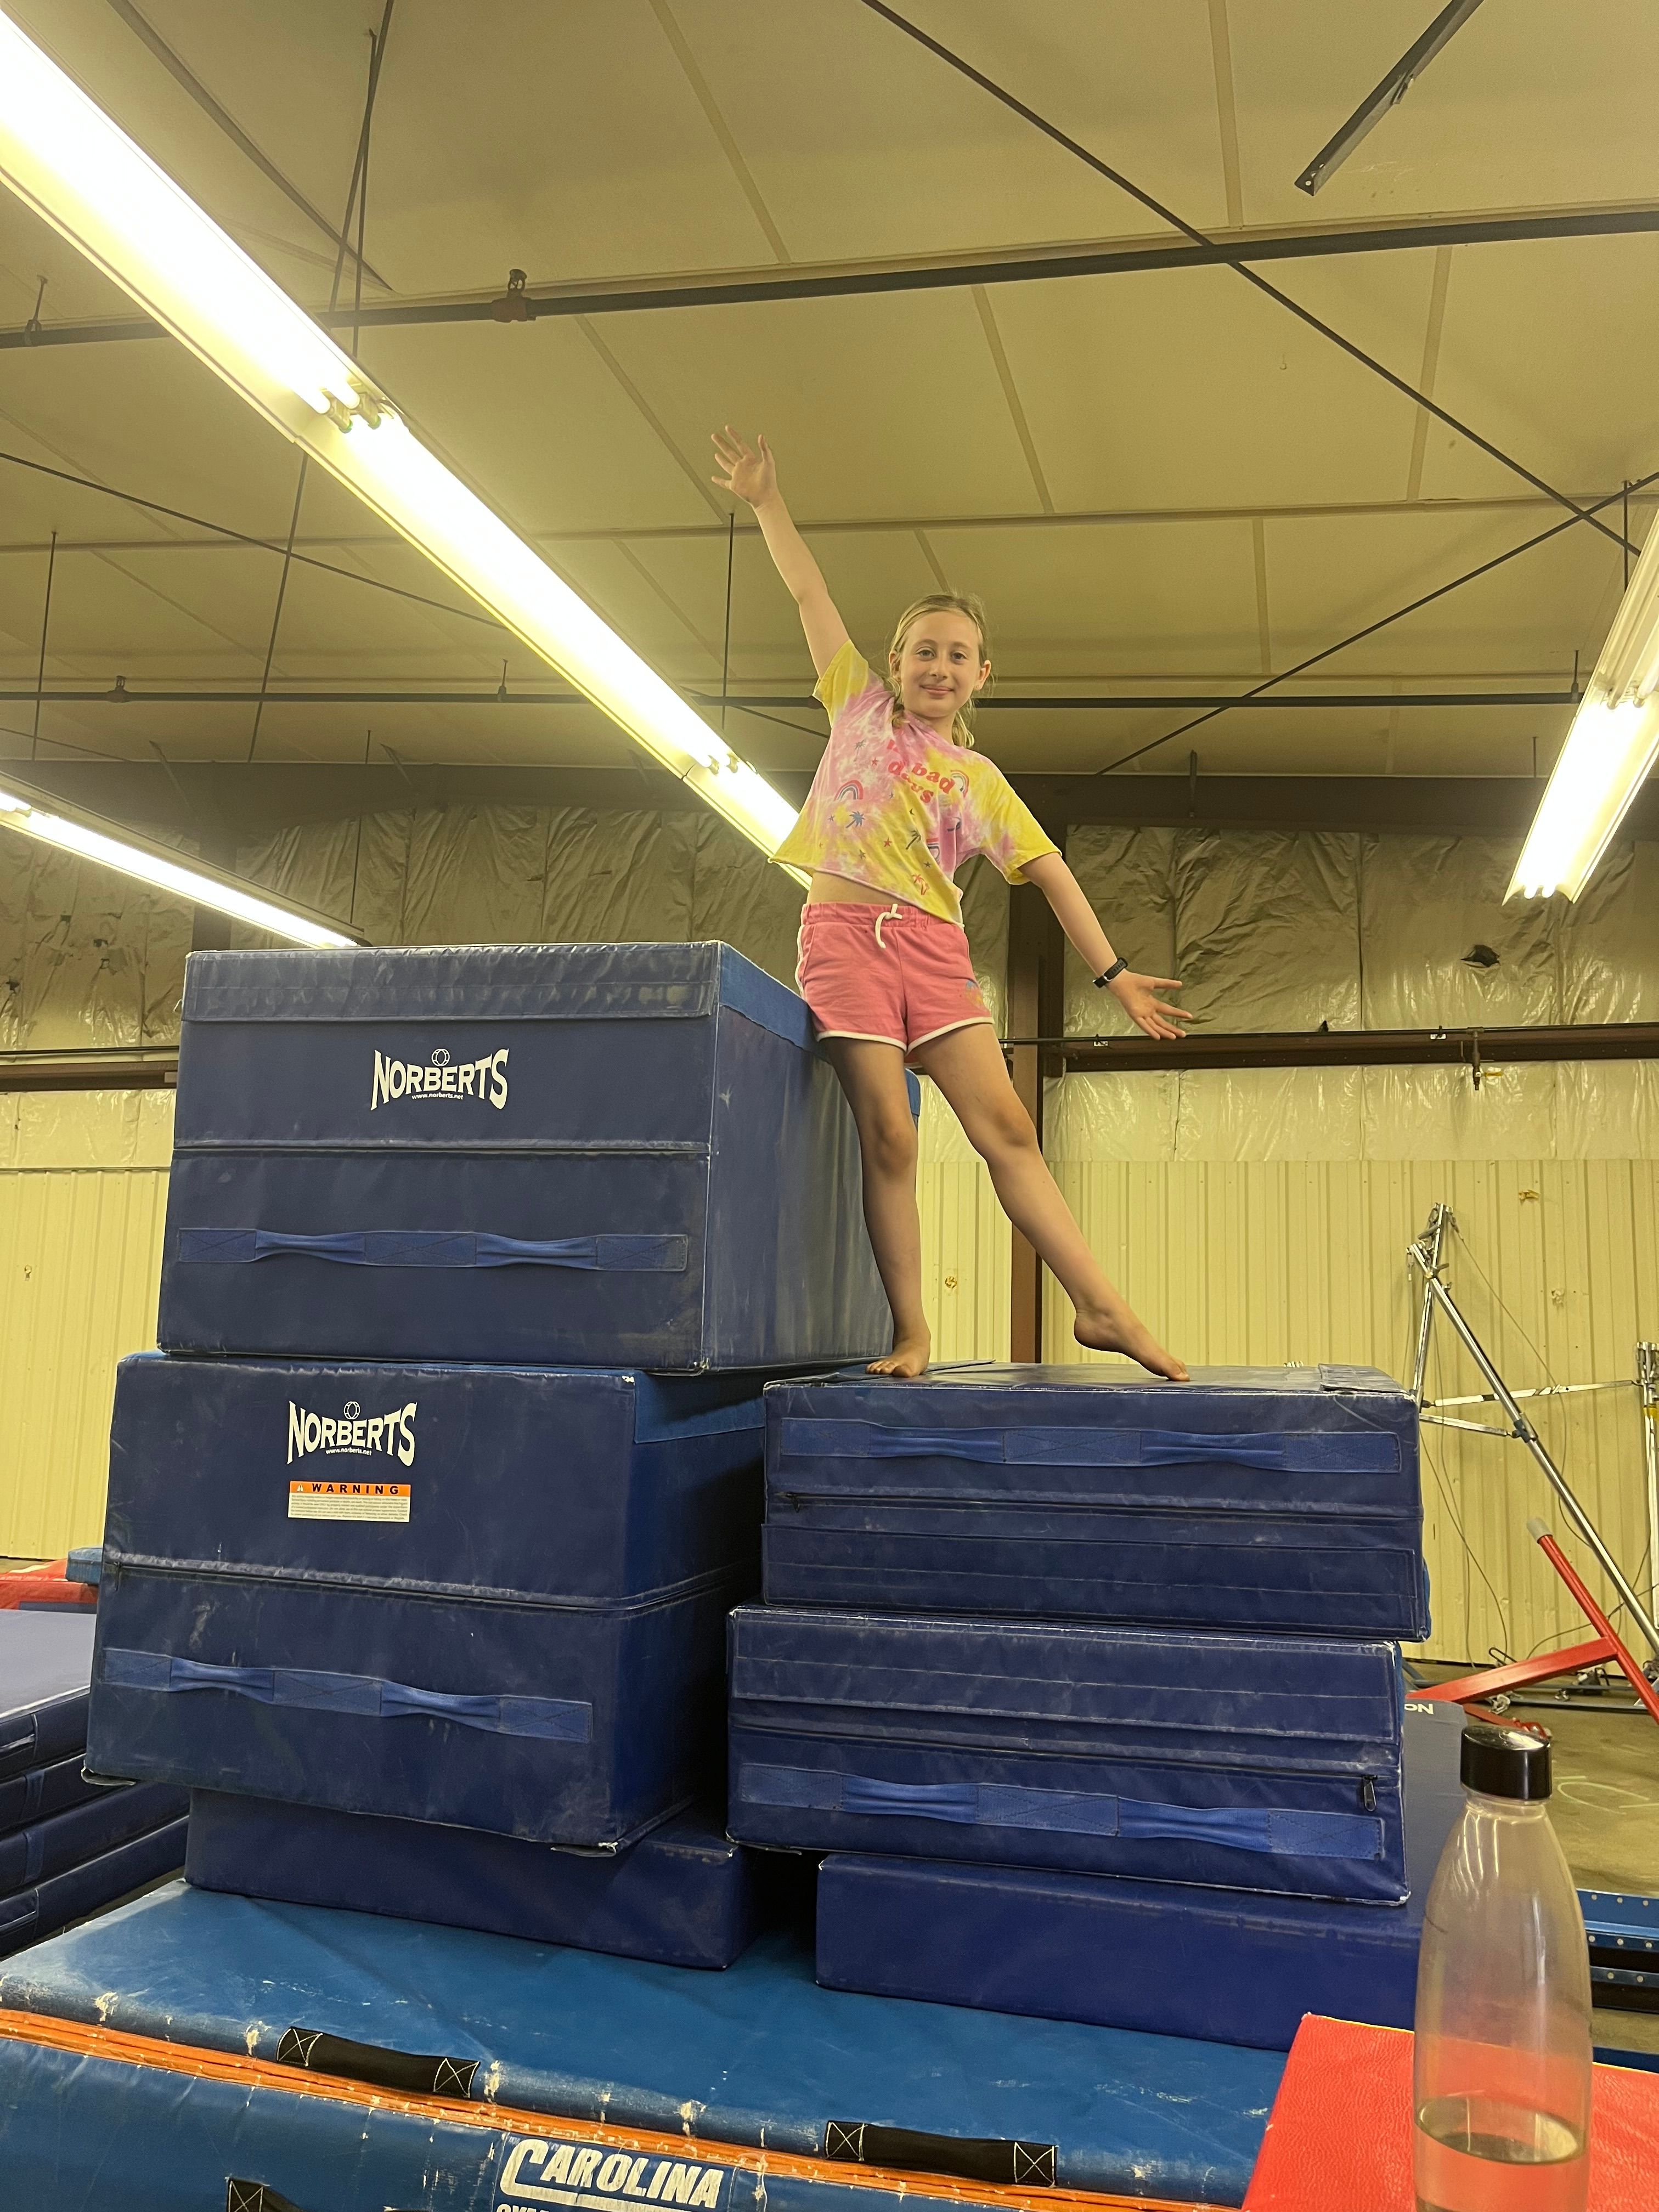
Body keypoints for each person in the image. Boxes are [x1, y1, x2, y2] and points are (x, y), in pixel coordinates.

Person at [712, 427, 1190, 1383]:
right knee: (890, 1133)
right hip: (845, 941)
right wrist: (768, 502)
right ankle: (913, 1332)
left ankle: (1101, 1306)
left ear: (982, 676)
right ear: (894, 660)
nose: (939, 665)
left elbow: (1052, 873)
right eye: (925, 650)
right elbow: (808, 592)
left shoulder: (979, 779)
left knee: (1008, 1129)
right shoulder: (855, 704)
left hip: (933, 953)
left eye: (958, 655)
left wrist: (1114, 974)